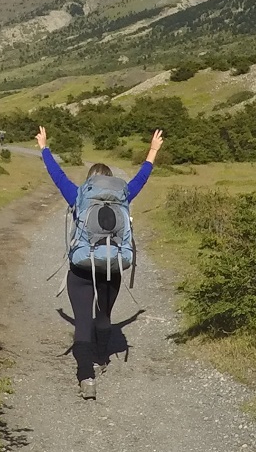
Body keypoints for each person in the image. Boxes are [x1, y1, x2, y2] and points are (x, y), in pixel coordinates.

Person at [37, 125, 163, 400]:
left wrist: (44, 147)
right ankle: (103, 357)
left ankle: (86, 378)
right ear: (111, 182)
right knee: (104, 315)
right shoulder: (124, 195)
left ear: (90, 181)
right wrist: (152, 151)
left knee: (82, 322)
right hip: (113, 266)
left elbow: (57, 175)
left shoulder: (79, 194)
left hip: (81, 268)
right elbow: (142, 177)